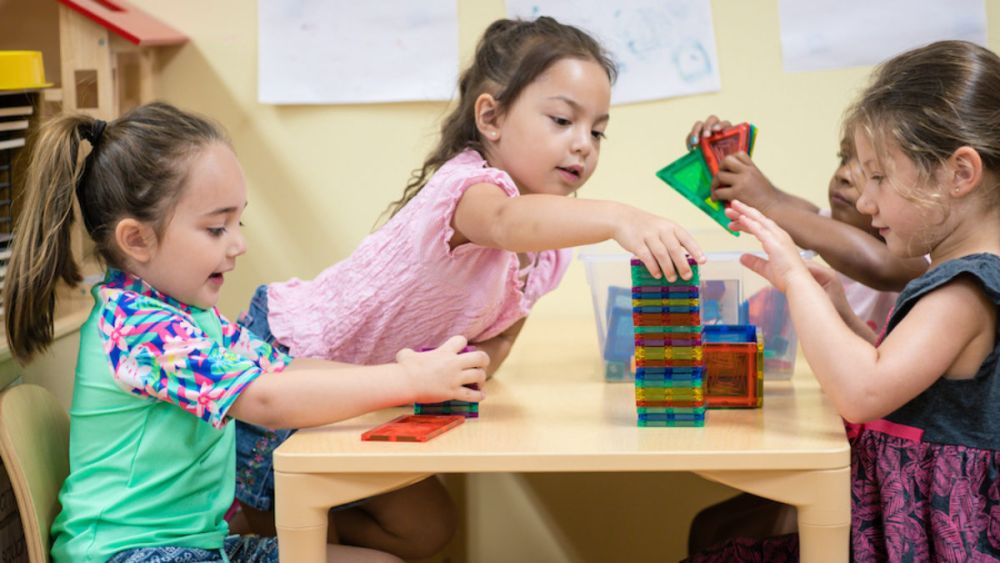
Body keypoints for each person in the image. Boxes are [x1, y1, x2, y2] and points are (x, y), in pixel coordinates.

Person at [234, 15, 707, 544]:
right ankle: (234, 526)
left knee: (427, 531)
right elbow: (506, 225)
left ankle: (276, 535)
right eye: (561, 120)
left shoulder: (547, 251)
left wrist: (464, 374)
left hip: (368, 396)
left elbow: (495, 341)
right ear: (491, 117)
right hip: (289, 362)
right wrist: (621, 217)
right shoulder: (468, 188)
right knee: (271, 512)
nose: (583, 145)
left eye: (597, 131)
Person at [3, 102, 488, 563]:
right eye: (217, 229)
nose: (239, 244)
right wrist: (405, 383)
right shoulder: (138, 328)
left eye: (240, 220)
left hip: (199, 547)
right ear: (137, 239)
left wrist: (402, 375)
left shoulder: (189, 317)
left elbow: (285, 366)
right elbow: (265, 400)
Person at [689, 40, 1000, 561]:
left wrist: (795, 278)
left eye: (879, 176)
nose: (862, 199)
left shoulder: (965, 287)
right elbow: (902, 379)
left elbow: (862, 391)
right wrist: (840, 313)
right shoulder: (960, 277)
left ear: (960, 174)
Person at [685, 116, 928, 336]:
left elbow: (880, 264)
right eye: (843, 158)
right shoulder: (824, 223)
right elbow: (791, 209)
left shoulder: (918, 250)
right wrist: (723, 162)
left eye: (872, 171)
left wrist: (767, 202)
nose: (843, 173)